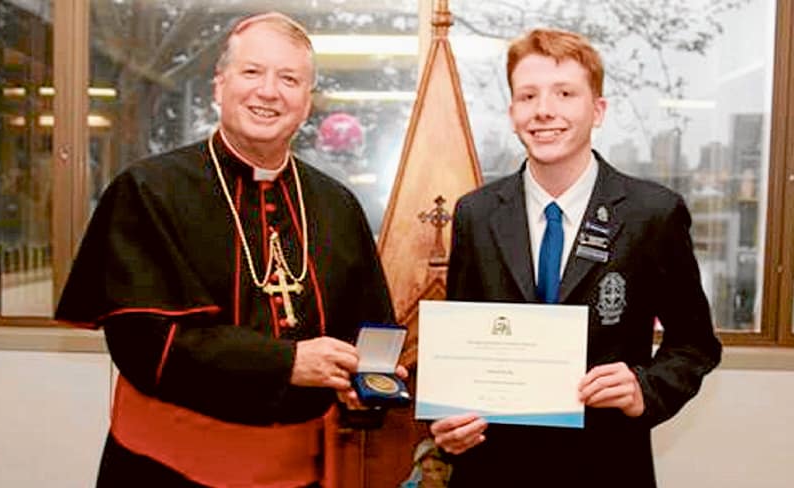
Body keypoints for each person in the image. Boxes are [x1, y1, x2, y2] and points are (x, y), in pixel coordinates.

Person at [56, 12, 401, 488]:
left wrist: (366, 390)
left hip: (298, 473)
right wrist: (287, 363)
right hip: (165, 468)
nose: (269, 91)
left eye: (289, 79)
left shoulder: (336, 204)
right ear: (220, 86)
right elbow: (146, 343)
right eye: (252, 72)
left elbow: (367, 336)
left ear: (306, 103)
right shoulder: (148, 190)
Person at [430, 28, 722, 487]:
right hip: (493, 468)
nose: (544, 110)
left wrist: (644, 388)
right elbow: (463, 344)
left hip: (606, 464)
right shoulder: (476, 214)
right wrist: (448, 420)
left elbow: (695, 344)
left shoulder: (652, 214)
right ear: (512, 112)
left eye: (565, 93)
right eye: (528, 95)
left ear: (597, 110)